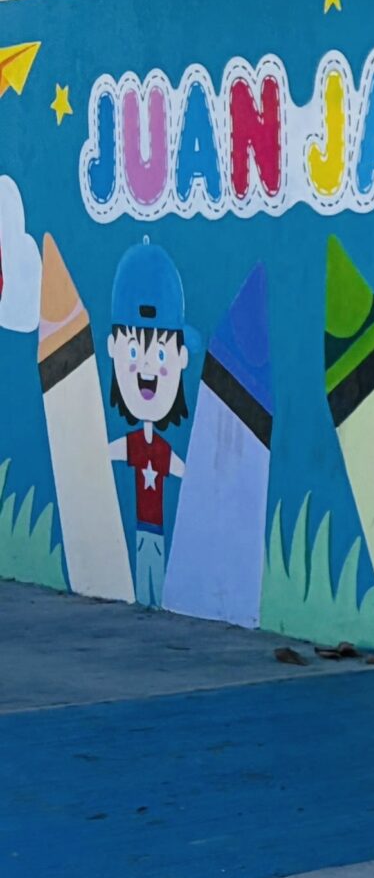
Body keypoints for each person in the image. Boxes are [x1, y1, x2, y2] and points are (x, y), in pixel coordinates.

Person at [103, 241, 192, 608]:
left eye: (160, 353)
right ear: (113, 348)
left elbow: (179, 468)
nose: (147, 368)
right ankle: (149, 601)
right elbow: (113, 451)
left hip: (153, 528)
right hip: (144, 528)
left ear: (181, 357)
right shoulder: (137, 444)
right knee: (146, 562)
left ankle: (154, 601)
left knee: (153, 563)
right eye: (134, 351)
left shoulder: (160, 448)